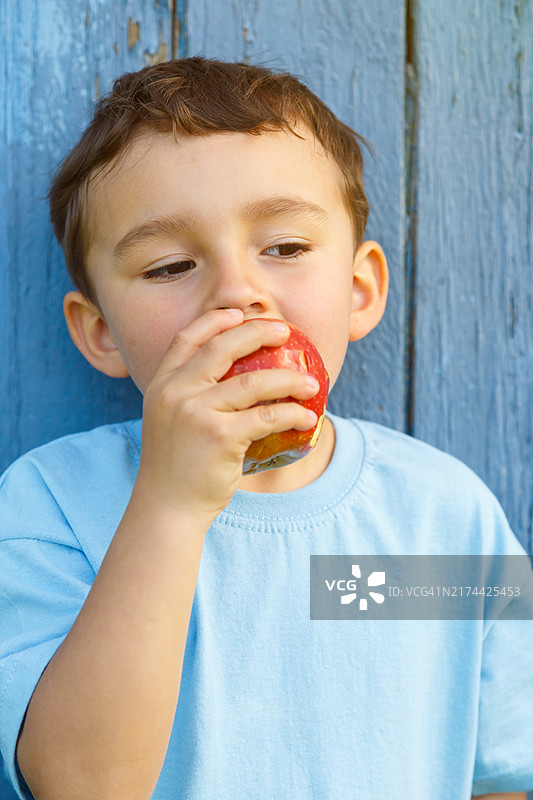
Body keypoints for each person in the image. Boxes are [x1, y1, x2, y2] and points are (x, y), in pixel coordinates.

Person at [0, 57, 531, 800]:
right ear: (102, 334)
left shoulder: (440, 514)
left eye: (283, 248)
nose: (237, 293)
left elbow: (501, 772)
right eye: (170, 265)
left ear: (357, 290)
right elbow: (80, 784)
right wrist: (172, 501)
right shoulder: (48, 505)